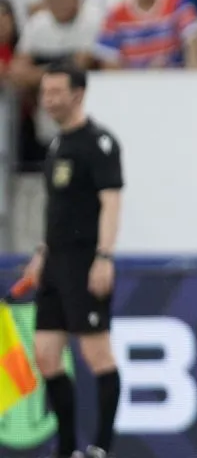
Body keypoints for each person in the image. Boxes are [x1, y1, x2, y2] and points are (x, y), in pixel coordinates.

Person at [22, 62, 124, 458]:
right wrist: (41, 254)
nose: (48, 100)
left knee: (96, 354)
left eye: (56, 93)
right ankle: (66, 450)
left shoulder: (99, 143)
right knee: (46, 354)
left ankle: (100, 447)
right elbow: (57, 211)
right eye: (45, 93)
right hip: (54, 264)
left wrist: (104, 257)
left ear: (78, 94)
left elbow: (111, 203)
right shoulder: (56, 146)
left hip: (85, 261)